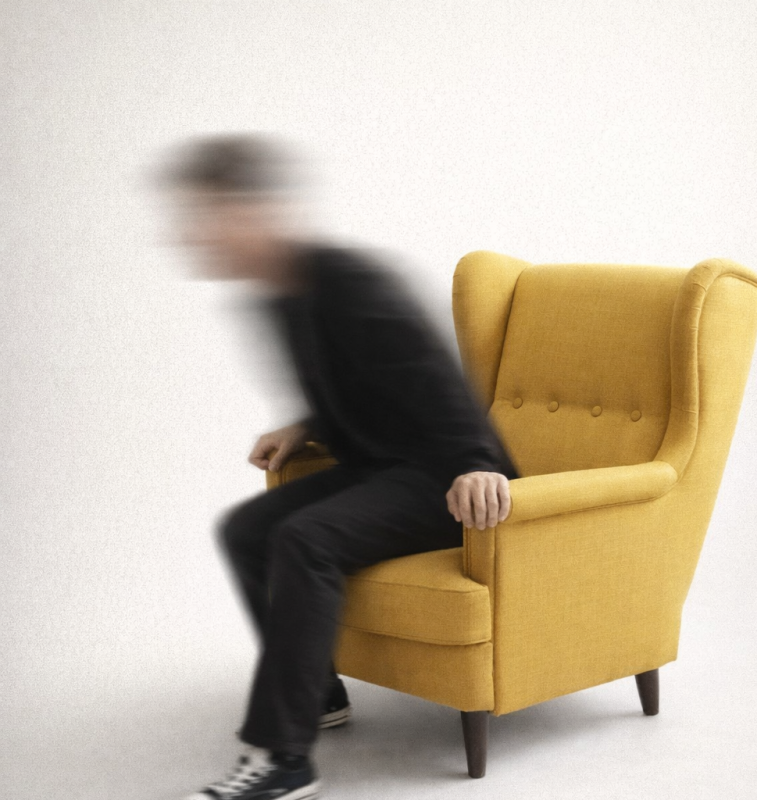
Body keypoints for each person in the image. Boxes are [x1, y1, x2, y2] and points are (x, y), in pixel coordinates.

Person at [153, 133, 519, 800]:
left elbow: (433, 378)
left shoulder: (348, 279)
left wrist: (477, 462)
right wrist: (308, 425)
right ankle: (317, 695)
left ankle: (285, 760)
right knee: (246, 529)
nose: (192, 235)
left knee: (307, 537)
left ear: (252, 211)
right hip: (387, 465)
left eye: (205, 216)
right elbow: (358, 384)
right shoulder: (280, 295)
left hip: (449, 477)